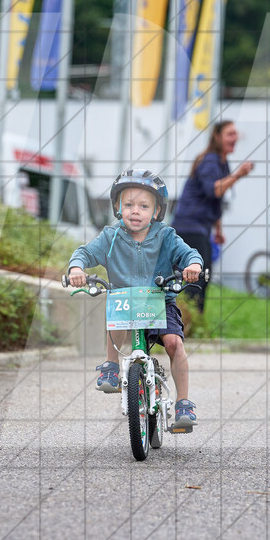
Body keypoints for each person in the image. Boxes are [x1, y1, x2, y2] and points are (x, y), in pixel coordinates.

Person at [68, 169, 204, 428]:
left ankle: (184, 404)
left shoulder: (166, 237)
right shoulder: (111, 236)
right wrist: (77, 269)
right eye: (128, 204)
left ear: (156, 212)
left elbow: (190, 253)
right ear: (118, 207)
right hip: (126, 301)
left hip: (160, 300)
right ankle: (111, 366)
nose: (135, 211)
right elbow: (85, 253)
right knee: (116, 307)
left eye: (143, 206)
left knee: (174, 343)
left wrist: (193, 265)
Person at [171, 120, 254, 312]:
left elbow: (215, 201)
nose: (235, 138)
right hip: (189, 227)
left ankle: (193, 321)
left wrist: (218, 230)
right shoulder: (210, 161)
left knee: (203, 277)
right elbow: (213, 191)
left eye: (236, 134)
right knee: (196, 278)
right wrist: (238, 175)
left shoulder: (221, 163)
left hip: (201, 228)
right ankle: (187, 322)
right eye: (230, 134)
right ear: (217, 136)